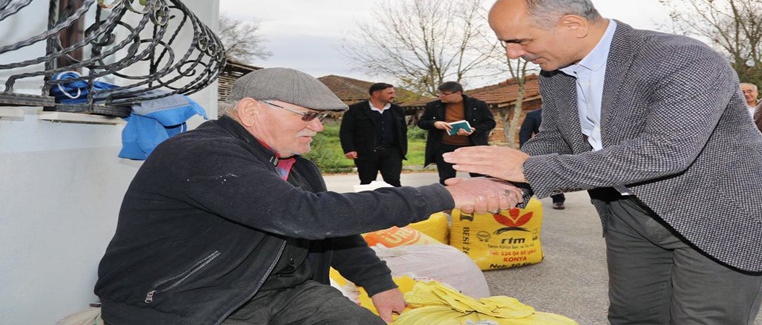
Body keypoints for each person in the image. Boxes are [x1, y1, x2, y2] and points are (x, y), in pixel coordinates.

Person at [443, 0, 762, 324]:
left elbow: (663, 152)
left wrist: (530, 171)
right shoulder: (556, 74)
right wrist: (503, 183)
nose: (512, 54)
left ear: (573, 25)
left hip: (717, 213)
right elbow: (556, 138)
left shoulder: (682, 58)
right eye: (506, 43)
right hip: (628, 213)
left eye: (521, 41)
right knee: (632, 317)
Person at [94, 67, 521, 325]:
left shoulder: (296, 165)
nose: (318, 128)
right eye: (308, 116)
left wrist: (378, 283)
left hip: (281, 292)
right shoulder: (200, 154)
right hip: (187, 303)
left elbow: (331, 232)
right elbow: (306, 217)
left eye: (322, 119)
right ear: (250, 111)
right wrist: (447, 195)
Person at [417, 81, 496, 185]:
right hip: (444, 147)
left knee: (479, 177)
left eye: (445, 94)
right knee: (446, 179)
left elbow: (490, 122)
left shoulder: (477, 104)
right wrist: (435, 123)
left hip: (471, 147)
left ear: (458, 93)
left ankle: (482, 198)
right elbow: (422, 123)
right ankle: (448, 199)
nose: (441, 96)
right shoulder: (433, 106)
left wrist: (474, 130)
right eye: (440, 93)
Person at [339, 83, 407, 187]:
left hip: (392, 152)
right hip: (365, 153)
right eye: (390, 93)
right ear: (376, 94)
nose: (394, 95)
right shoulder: (355, 110)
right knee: (367, 182)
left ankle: (395, 203)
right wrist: (349, 149)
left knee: (393, 181)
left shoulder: (397, 110)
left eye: (393, 92)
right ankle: (367, 203)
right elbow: (346, 131)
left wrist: (402, 151)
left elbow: (402, 131)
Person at [519, 108, 565, 210]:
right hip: (541, 149)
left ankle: (558, 198)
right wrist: (525, 150)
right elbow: (524, 133)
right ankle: (525, 197)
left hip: (562, 149)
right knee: (536, 173)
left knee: (555, 173)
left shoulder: (564, 112)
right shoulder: (533, 115)